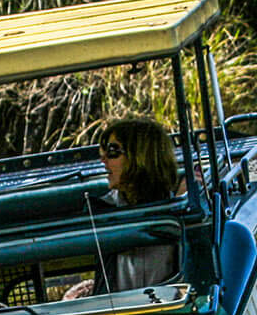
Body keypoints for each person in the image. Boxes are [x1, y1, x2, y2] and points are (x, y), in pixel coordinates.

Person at [64, 118, 182, 299]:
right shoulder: (101, 210)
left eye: (113, 152)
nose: (103, 160)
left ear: (141, 156)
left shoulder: (178, 206)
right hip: (121, 311)